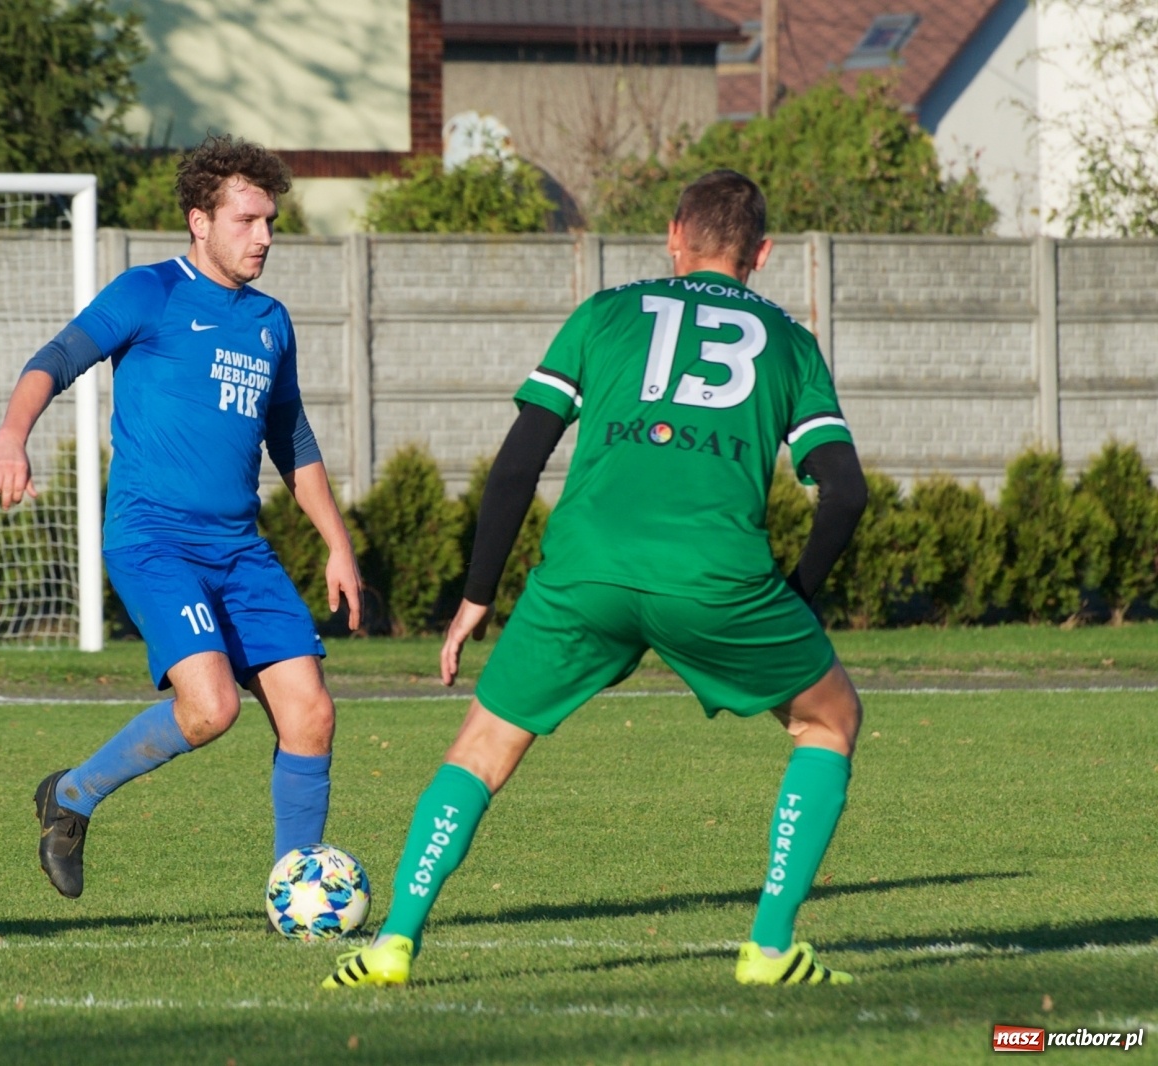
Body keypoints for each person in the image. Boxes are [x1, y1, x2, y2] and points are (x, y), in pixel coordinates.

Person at [322, 169, 869, 989]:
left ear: (674, 236)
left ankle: (392, 944)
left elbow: (517, 465)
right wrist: (795, 597)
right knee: (830, 721)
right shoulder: (790, 343)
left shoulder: (606, 313)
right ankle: (768, 948)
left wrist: (477, 596)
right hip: (715, 578)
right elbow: (844, 490)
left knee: (482, 747)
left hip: (583, 572)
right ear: (761, 252)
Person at [0, 134, 361, 901]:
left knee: (312, 714)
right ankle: (73, 795)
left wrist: (338, 546)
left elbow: (291, 438)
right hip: (153, 538)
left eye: (270, 222)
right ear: (200, 220)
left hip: (239, 549)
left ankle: (297, 892)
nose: (264, 236)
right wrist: (10, 436)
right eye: (247, 220)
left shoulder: (270, 321)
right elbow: (52, 361)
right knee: (212, 706)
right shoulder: (148, 291)